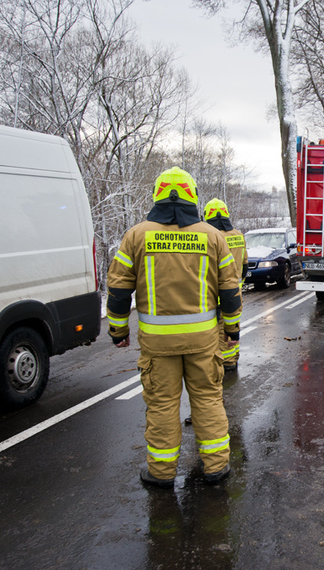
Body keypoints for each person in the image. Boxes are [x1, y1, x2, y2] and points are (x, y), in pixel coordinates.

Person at [106, 166, 242, 489]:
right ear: (193, 197)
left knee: (162, 405)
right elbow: (230, 290)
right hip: (203, 342)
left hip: (158, 346)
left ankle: (161, 472)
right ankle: (216, 467)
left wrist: (118, 332)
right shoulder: (212, 237)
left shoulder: (136, 236)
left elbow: (118, 289)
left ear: (157, 196)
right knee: (208, 400)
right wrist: (232, 330)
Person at [203, 198, 247, 372]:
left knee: (216, 331)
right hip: (235, 293)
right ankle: (232, 359)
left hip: (215, 295)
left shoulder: (210, 237)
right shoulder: (238, 235)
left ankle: (223, 363)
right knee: (231, 327)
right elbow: (245, 265)